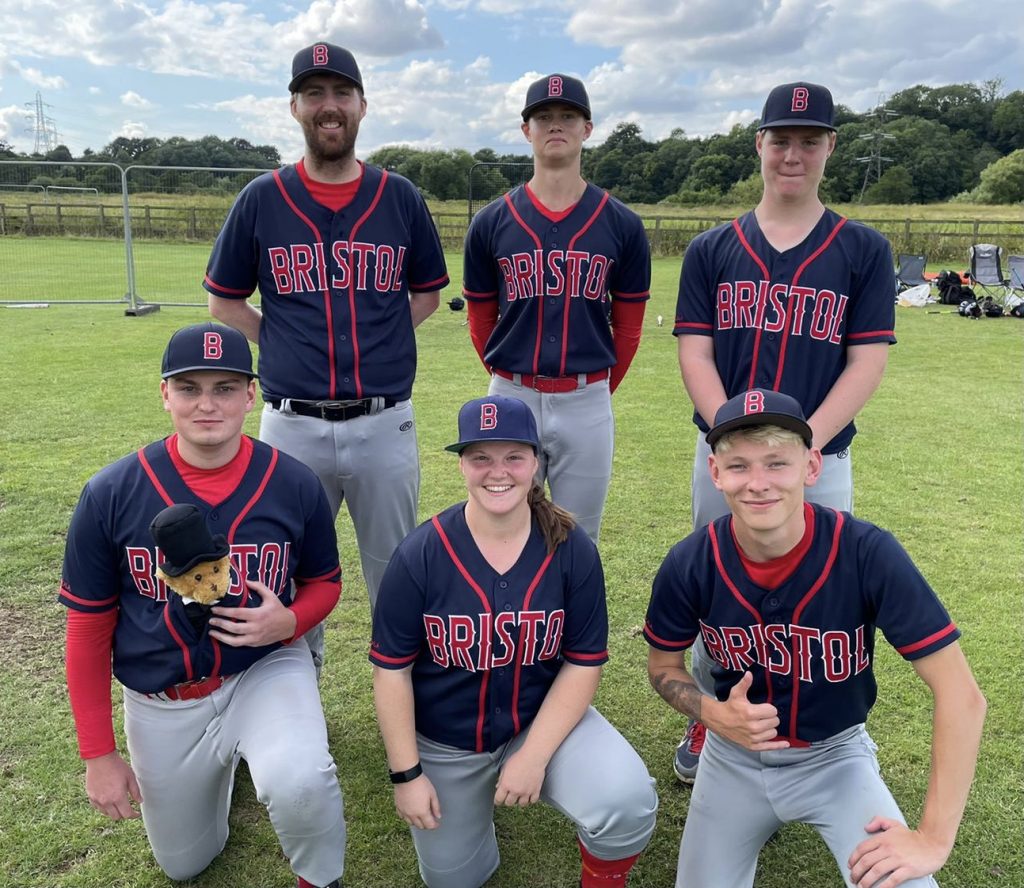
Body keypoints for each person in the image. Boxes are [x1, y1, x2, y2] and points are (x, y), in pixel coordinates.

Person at [644, 389, 986, 888]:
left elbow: (962, 695)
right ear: (715, 473)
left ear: (811, 466)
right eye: (738, 466)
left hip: (836, 759)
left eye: (777, 463)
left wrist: (933, 838)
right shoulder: (690, 563)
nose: (757, 483)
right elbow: (663, 666)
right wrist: (709, 713)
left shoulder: (866, 552)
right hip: (731, 759)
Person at [59, 322, 346, 888]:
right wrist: (98, 754)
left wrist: (291, 620)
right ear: (164, 394)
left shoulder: (292, 482)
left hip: (264, 668)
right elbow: (87, 630)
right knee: (184, 864)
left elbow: (325, 582)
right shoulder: (111, 492)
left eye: (225, 388)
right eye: (189, 388)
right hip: (162, 699)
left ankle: (318, 878)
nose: (207, 404)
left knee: (301, 780)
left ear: (251, 395)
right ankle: (229, 764)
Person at [671, 81, 897, 780]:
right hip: (725, 458)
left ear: (830, 147)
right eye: (781, 139)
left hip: (820, 458)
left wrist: (806, 447)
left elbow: (866, 360)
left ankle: (824, 734)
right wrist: (729, 443)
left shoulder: (863, 249)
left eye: (809, 140)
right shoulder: (713, 248)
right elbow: (695, 352)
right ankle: (714, 714)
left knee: (824, 595)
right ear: (759, 145)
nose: (793, 153)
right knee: (719, 588)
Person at [205, 41, 450, 643]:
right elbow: (224, 301)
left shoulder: (399, 196)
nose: (329, 105)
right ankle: (292, 686)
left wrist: (378, 338)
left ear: (363, 105)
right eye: (314, 93)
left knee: (396, 570)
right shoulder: (262, 198)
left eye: (341, 92)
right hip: (292, 424)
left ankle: (401, 682)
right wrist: (283, 342)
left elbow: (426, 293)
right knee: (285, 572)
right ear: (295, 107)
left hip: (384, 422)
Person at [370, 395, 658, 888]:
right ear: (461, 465)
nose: (497, 472)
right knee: (452, 880)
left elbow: (583, 661)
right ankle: (471, 811)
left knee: (627, 802)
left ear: (536, 463)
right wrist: (407, 775)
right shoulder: (420, 554)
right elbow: (391, 671)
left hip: (539, 722)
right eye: (480, 457)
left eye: (514, 457)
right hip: (447, 741)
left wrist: (534, 756)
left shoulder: (570, 547)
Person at [462, 73, 651, 543]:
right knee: (503, 529)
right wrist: (508, 381)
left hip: (587, 397)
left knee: (580, 537)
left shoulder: (622, 224)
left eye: (568, 116)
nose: (555, 125)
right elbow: (480, 320)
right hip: (511, 391)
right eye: (543, 116)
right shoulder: (491, 221)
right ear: (526, 129)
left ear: (587, 129)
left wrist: (595, 390)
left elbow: (628, 329)